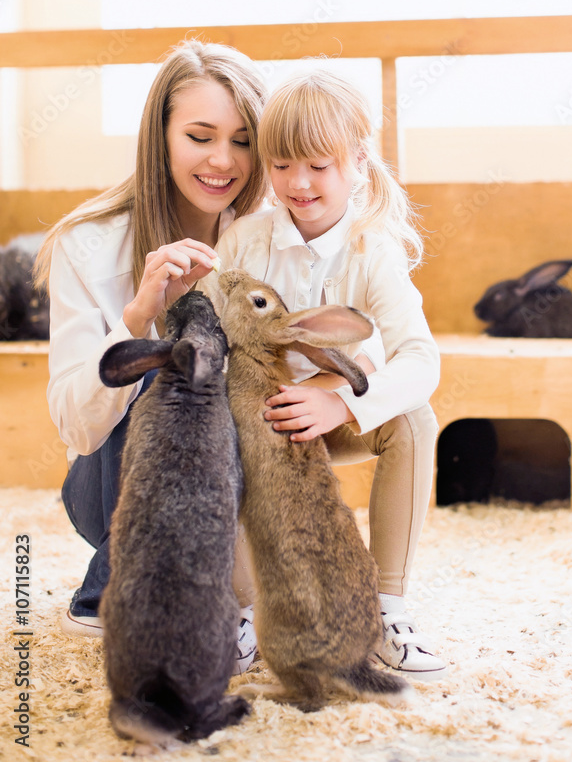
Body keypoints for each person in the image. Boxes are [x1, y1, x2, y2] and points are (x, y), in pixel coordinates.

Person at [202, 67, 447, 681]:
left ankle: (385, 612)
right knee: (215, 430)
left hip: (330, 419)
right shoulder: (245, 240)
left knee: (414, 421)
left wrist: (339, 403)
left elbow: (420, 357)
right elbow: (208, 329)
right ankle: (242, 618)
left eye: (318, 165)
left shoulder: (374, 250)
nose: (298, 182)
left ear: (358, 162)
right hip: (256, 419)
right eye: (281, 164)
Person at [34, 39, 266, 673]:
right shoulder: (88, 242)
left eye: (243, 140)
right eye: (199, 136)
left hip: (232, 492)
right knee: (170, 375)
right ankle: (115, 585)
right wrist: (139, 316)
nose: (223, 160)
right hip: (111, 485)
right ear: (159, 137)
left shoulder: (272, 234)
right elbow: (77, 427)